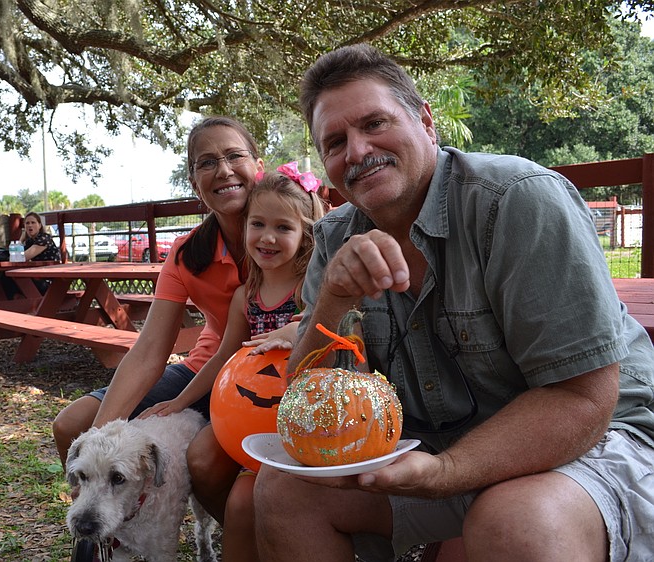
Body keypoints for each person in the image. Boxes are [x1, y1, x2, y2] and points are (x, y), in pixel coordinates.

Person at [254, 44, 654, 562]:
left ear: (426, 121)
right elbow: (305, 401)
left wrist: (447, 472)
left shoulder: (516, 199)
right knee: (284, 492)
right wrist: (333, 298)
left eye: (375, 123)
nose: (357, 150)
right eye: (335, 142)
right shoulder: (332, 238)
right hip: (438, 447)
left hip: (598, 437)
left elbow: (583, 399)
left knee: (513, 522)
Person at [51, 116, 264, 561]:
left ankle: (252, 541)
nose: (223, 170)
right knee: (72, 425)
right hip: (203, 371)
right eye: (207, 162)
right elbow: (150, 350)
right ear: (194, 181)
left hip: (266, 376)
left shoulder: (295, 228)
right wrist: (101, 435)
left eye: (234, 156)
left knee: (204, 460)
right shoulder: (188, 254)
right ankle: (102, 530)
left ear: (258, 165)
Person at [138, 164, 326, 561]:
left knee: (247, 502)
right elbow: (224, 356)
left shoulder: (311, 287)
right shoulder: (247, 295)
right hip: (248, 415)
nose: (268, 237)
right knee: (219, 479)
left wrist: (293, 330)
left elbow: (326, 326)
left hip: (300, 415)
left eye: (283, 228)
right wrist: (180, 401)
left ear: (305, 235)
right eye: (258, 224)